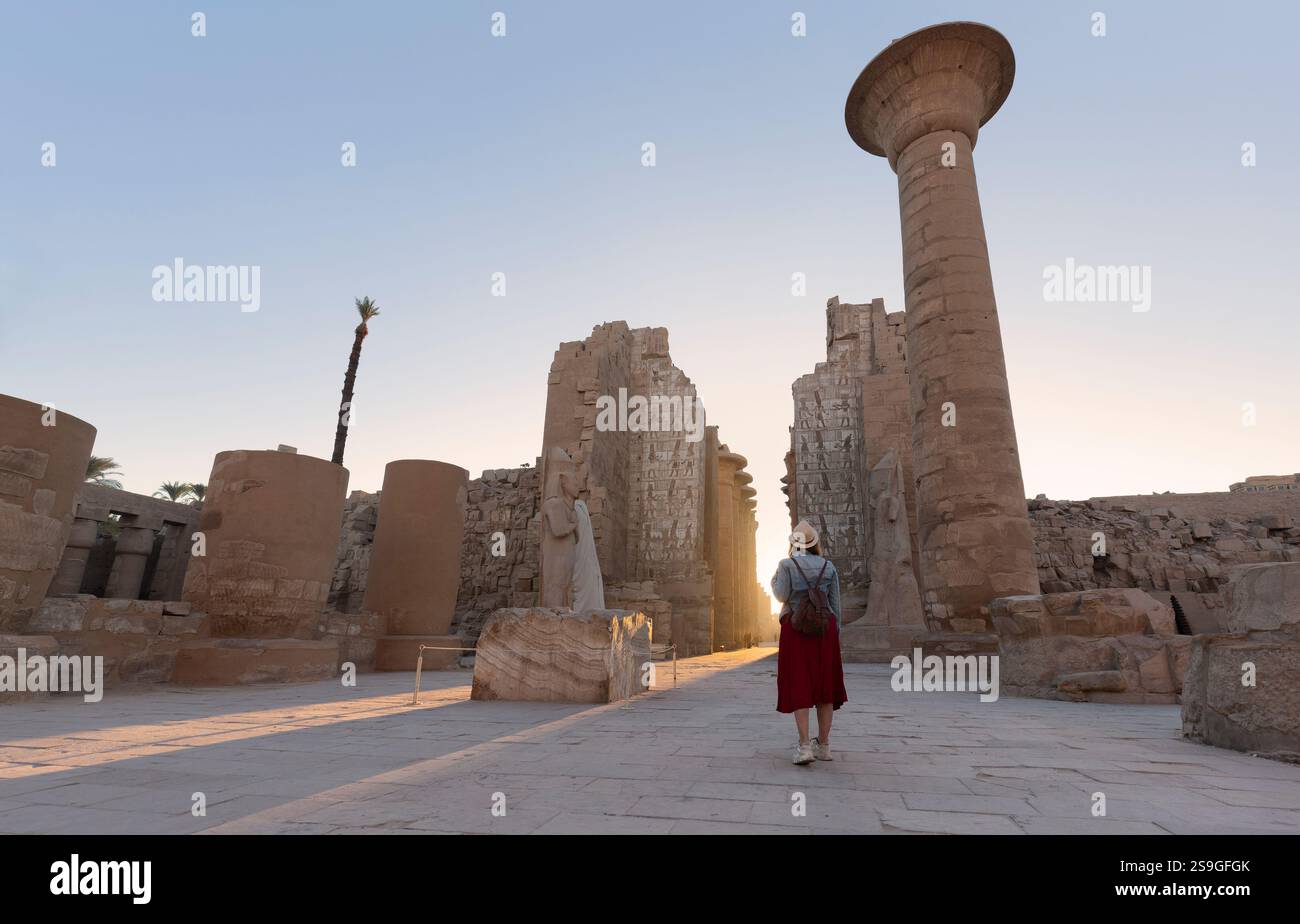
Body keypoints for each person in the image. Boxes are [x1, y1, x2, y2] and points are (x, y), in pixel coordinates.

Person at [770, 520, 848, 766]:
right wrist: (834, 635)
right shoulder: (828, 566)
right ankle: (823, 746)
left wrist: (775, 580)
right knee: (826, 686)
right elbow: (835, 605)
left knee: (800, 683)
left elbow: (782, 595)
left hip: (796, 628)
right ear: (815, 544)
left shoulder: (787, 565)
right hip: (824, 631)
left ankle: (804, 746)